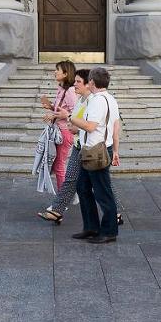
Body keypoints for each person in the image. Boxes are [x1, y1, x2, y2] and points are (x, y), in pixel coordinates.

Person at [37, 68, 123, 225]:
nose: (74, 84)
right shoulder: (82, 100)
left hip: (94, 148)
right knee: (77, 181)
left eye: (78, 82)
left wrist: (71, 121)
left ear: (89, 83)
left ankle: (111, 218)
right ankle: (58, 211)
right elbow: (81, 124)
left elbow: (95, 126)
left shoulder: (97, 101)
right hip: (81, 145)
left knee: (100, 184)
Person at [66, 66, 120, 244]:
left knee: (103, 193)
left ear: (92, 82)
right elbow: (115, 127)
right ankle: (91, 227)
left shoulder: (97, 101)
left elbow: (90, 126)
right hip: (95, 150)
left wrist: (70, 117)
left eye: (87, 80)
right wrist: (115, 150)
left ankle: (109, 231)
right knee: (83, 187)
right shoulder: (111, 99)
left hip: (96, 152)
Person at [40, 60, 76, 190]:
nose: (54, 72)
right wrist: (50, 107)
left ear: (66, 74)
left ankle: (64, 196)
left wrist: (56, 115)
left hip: (64, 133)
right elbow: (61, 109)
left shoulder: (70, 91)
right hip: (58, 132)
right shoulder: (61, 89)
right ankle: (67, 194)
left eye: (57, 70)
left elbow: (75, 113)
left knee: (59, 166)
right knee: (56, 166)